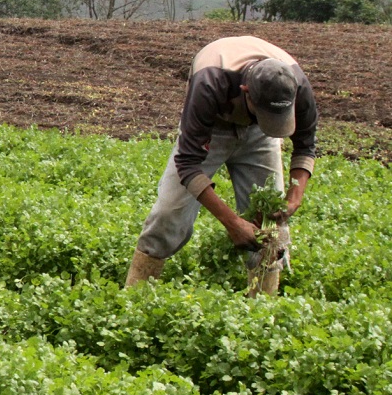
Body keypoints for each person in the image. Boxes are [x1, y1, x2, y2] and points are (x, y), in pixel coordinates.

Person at [126, 35, 318, 291]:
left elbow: (305, 145)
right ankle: (135, 296)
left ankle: (264, 310)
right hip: (213, 128)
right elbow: (188, 163)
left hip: (259, 137)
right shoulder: (210, 82)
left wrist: (294, 197)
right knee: (169, 213)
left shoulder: (296, 86)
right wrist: (233, 223)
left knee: (271, 227)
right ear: (246, 92)